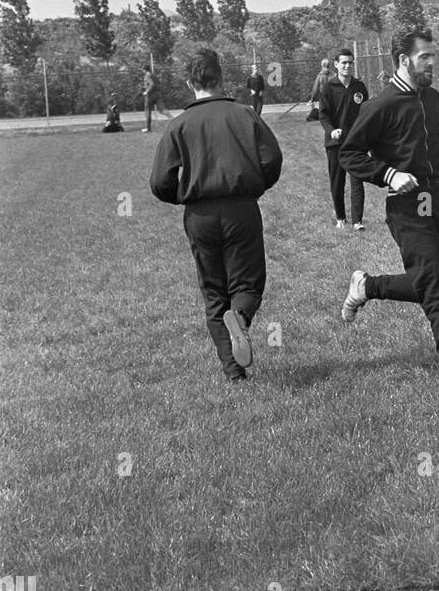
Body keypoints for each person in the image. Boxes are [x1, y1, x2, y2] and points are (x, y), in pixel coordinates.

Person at [338, 28, 439, 396]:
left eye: (433, 55)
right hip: (407, 206)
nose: (432, 62)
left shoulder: (432, 98)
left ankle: (367, 286)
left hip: (435, 198)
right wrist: (389, 174)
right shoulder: (380, 105)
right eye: (425, 56)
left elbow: (434, 143)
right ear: (403, 60)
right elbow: (349, 154)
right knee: (438, 285)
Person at [149, 47, 282, 383]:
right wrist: (255, 186)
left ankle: (233, 371)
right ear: (222, 77)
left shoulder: (179, 125)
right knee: (248, 283)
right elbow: (272, 160)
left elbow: (159, 181)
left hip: (200, 214)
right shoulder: (244, 114)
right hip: (241, 208)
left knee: (213, 291)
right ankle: (238, 316)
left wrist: (184, 196)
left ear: (189, 82)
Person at [319, 49, 369, 230]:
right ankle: (341, 217)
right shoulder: (328, 87)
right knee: (337, 181)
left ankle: (357, 221)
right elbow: (323, 115)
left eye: (350, 63)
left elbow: (366, 114)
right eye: (344, 63)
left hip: (356, 143)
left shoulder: (359, 87)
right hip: (335, 144)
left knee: (357, 180)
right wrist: (331, 131)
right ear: (336, 65)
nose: (347, 66)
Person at [141, 64, 170, 132]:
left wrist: (147, 91)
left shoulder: (147, 75)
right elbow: (157, 84)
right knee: (162, 110)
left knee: (147, 111)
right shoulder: (153, 75)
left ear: (144, 70)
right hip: (157, 94)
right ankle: (172, 120)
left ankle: (148, 128)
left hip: (150, 96)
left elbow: (152, 84)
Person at [306, 58, 331, 122]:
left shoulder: (320, 76)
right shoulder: (334, 75)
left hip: (324, 97)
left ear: (322, 66)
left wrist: (312, 99)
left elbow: (315, 89)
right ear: (329, 65)